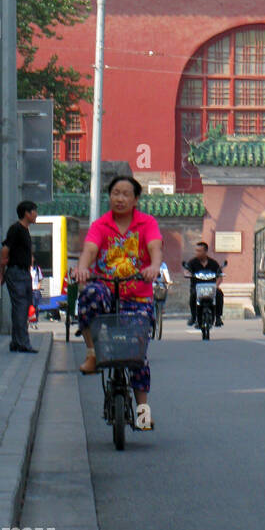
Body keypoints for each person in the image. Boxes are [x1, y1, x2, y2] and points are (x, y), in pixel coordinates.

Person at [75, 175, 162, 430]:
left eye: (126, 194)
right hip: (106, 287)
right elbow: (89, 251)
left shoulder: (147, 223)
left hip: (137, 294)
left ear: (136, 199)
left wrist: (154, 266)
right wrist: (82, 268)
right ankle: (92, 353)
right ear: (109, 196)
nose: (120, 198)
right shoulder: (100, 225)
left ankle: (143, 412)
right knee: (89, 295)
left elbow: (155, 248)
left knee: (137, 357)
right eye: (115, 193)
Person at [0, 200, 38, 353]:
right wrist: (1, 273)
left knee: (22, 307)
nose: (36, 214)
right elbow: (4, 250)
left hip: (23, 273)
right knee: (21, 307)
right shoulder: (16, 229)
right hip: (16, 273)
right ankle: (23, 343)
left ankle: (16, 342)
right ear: (27, 213)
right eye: (34, 211)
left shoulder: (25, 230)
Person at [184, 241, 224, 327]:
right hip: (197, 287)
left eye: (199, 251)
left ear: (205, 251)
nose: (197, 253)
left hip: (211, 287)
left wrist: (216, 286)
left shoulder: (213, 263)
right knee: (193, 296)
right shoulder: (192, 262)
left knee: (219, 294)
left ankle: (218, 317)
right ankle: (193, 317)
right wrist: (187, 274)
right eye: (196, 250)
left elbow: (219, 276)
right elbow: (187, 271)